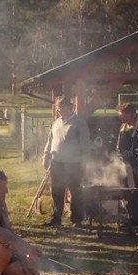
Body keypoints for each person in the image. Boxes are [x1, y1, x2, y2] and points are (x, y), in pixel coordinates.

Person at [42, 96, 90, 227]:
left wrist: (85, 163)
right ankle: (56, 219)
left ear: (69, 107)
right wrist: (45, 155)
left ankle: (77, 219)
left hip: (73, 163)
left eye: (61, 107)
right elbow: (50, 141)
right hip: (57, 162)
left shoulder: (79, 123)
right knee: (56, 191)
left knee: (75, 191)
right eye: (58, 107)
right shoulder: (56, 122)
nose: (58, 110)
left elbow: (85, 145)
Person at [115, 103, 138, 233]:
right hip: (126, 167)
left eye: (123, 115)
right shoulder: (123, 127)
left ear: (131, 114)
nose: (121, 118)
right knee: (128, 193)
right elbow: (118, 148)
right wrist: (121, 161)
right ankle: (132, 218)